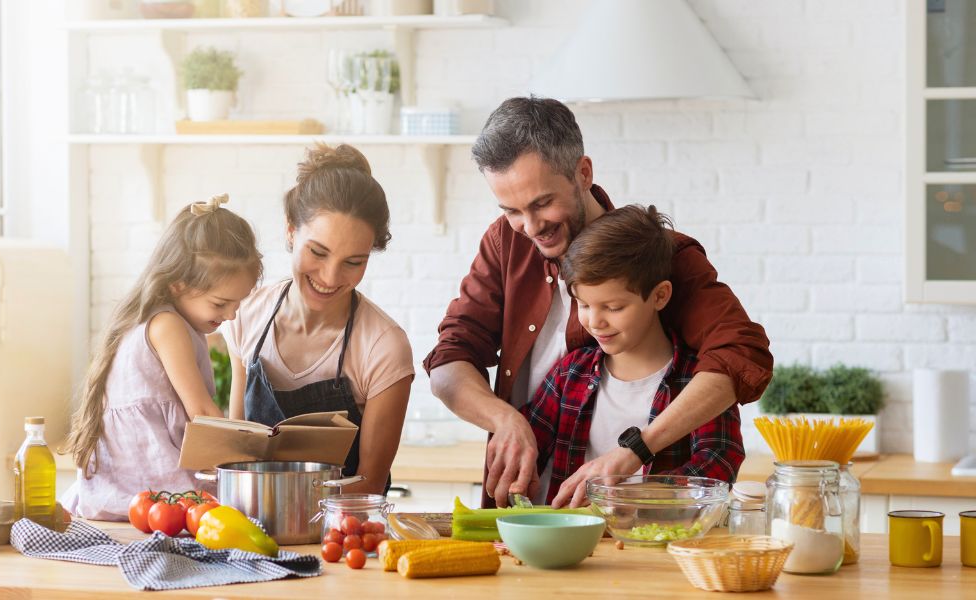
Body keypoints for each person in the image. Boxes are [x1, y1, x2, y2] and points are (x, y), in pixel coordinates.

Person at [424, 97, 772, 507]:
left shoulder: (659, 255)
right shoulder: (506, 242)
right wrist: (505, 420)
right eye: (511, 210)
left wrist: (636, 453)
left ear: (583, 173)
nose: (530, 227)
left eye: (541, 203)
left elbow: (741, 353)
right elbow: (448, 361)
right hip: (536, 513)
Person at [521, 205, 745, 507]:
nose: (594, 321)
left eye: (613, 308)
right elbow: (529, 447)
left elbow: (719, 463)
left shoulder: (697, 381)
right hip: (572, 545)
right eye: (583, 305)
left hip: (659, 545)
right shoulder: (570, 373)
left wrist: (630, 497)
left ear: (660, 296)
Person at [225, 144, 414, 495]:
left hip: (341, 535)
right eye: (318, 252)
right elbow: (236, 454)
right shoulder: (246, 314)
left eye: (353, 262)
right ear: (290, 231)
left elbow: (370, 485)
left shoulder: (383, 346)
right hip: (250, 529)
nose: (329, 277)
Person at [59, 195, 262, 520]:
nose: (231, 315)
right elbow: (201, 412)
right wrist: (247, 457)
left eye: (238, 304)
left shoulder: (161, 319)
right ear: (179, 285)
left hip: (128, 488)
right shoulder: (168, 326)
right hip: (151, 484)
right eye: (220, 303)